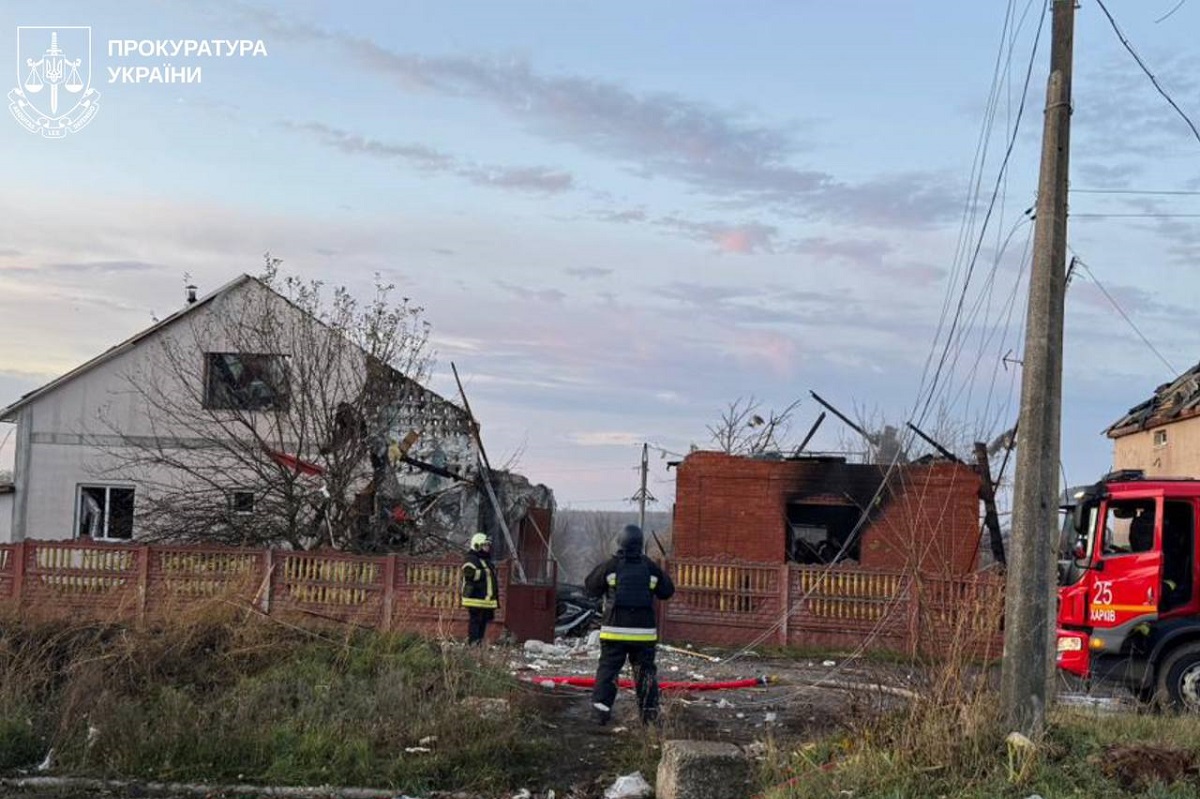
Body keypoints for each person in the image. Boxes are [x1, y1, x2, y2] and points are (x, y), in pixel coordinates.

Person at [584, 524, 675, 725]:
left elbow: (590, 586)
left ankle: (600, 712)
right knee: (645, 673)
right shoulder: (650, 567)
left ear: (620, 543)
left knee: (608, 671)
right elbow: (667, 591)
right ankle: (649, 714)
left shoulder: (611, 566)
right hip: (643, 635)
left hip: (614, 633)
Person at [461, 533, 498, 645]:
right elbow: (469, 574)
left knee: (482, 622)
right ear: (477, 545)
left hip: (485, 601)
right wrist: (485, 573)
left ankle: (478, 644)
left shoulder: (486, 560)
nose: (487, 548)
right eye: (484, 545)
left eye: (488, 545)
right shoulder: (471, 558)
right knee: (475, 622)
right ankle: (473, 644)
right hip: (475, 598)